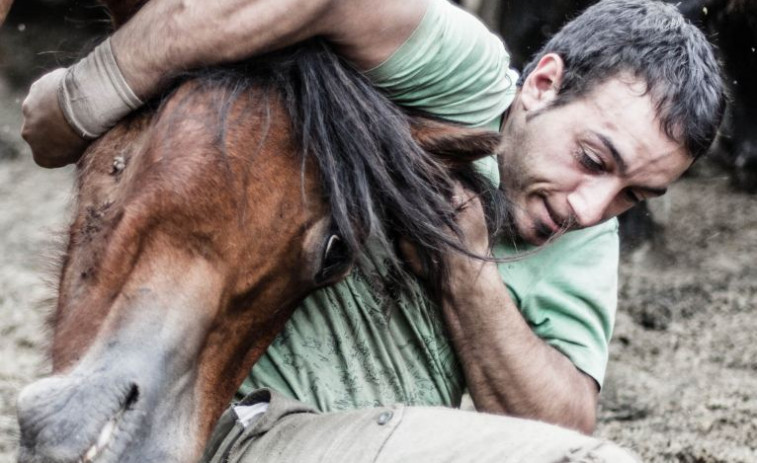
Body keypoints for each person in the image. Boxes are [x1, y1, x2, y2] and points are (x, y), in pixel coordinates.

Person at [20, 0, 724, 461]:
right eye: (593, 159)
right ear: (540, 85)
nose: (590, 206)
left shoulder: (583, 231)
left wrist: (466, 267)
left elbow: (560, 425)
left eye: (634, 194)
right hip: (235, 420)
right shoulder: (470, 79)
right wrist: (82, 96)